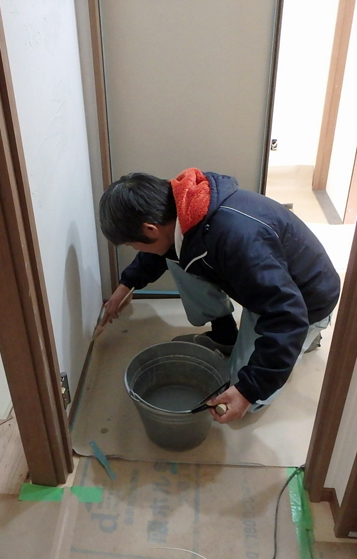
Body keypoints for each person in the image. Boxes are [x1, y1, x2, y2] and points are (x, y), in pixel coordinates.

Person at [98, 168, 341, 423]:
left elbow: (287, 315)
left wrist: (248, 391)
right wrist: (126, 285)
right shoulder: (184, 207)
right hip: (269, 287)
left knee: (241, 393)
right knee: (176, 256)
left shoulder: (238, 239)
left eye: (131, 244)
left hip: (305, 302)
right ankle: (225, 334)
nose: (133, 248)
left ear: (150, 229)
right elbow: (160, 249)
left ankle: (309, 335)